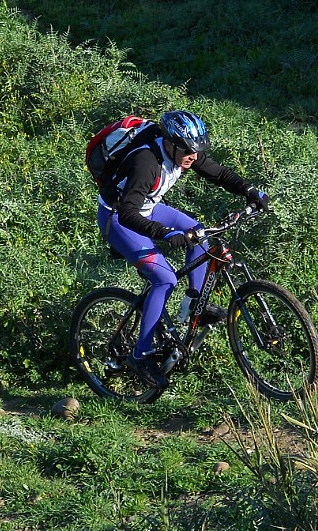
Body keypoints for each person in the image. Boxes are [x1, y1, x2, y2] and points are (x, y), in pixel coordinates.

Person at [96, 110, 270, 388]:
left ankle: (193, 303)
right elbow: (128, 212)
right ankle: (140, 356)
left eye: (197, 151)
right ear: (171, 144)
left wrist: (250, 191)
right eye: (188, 151)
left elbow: (220, 173)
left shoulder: (183, 151)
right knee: (164, 279)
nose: (193, 157)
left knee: (199, 235)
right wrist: (165, 233)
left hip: (148, 207)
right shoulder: (146, 163)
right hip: (118, 218)